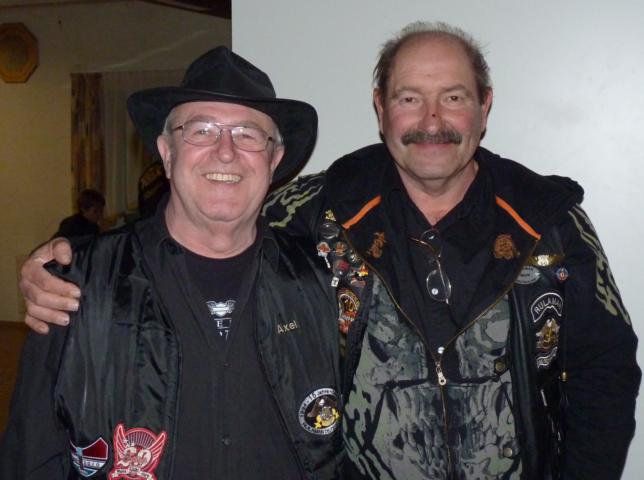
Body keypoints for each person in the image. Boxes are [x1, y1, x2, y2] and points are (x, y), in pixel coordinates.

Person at [16, 22, 640, 480]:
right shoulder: (318, 209)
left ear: (484, 107)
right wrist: (69, 259)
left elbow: (606, 374)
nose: (432, 120)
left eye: (453, 96)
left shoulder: (551, 223)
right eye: (408, 98)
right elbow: (208, 219)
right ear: (380, 109)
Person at [1, 46, 343, 479]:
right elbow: (31, 455)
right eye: (201, 130)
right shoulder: (76, 285)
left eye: (248, 134)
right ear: (166, 152)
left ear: (274, 161)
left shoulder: (318, 281)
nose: (225, 151)